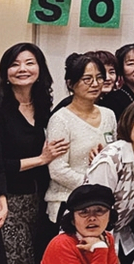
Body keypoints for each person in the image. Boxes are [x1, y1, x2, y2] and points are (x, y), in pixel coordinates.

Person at [0, 43, 59, 264]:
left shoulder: (44, 105)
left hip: (40, 200)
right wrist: (40, 160)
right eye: (14, 64)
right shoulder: (1, 108)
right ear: (5, 72)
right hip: (9, 201)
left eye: (29, 62)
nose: (22, 69)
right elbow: (1, 164)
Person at [84, 99, 134, 264]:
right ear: (127, 123)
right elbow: (93, 209)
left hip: (124, 236)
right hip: (91, 237)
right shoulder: (111, 159)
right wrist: (103, 249)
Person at [46, 54, 118, 222]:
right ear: (71, 83)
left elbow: (114, 153)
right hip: (68, 202)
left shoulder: (109, 115)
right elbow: (57, 170)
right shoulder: (61, 119)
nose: (95, 84)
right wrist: (92, 186)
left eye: (99, 78)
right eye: (87, 79)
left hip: (101, 203)